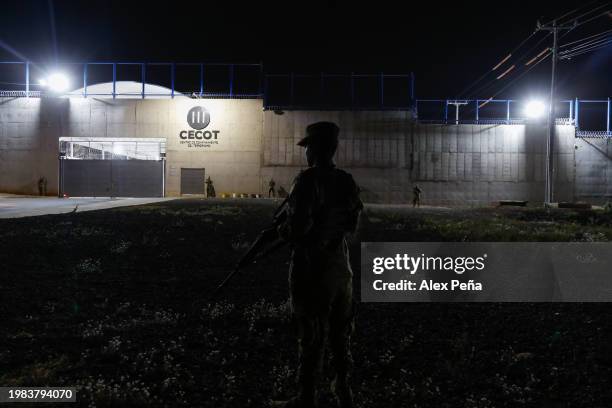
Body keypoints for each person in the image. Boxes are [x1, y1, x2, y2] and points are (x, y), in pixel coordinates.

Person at [274, 121, 363, 408]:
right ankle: (344, 394)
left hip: (313, 271)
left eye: (308, 147)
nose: (307, 153)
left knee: (310, 336)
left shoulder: (307, 180)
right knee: (341, 337)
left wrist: (282, 231)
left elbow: (298, 228)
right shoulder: (346, 181)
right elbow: (352, 226)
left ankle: (307, 397)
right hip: (341, 271)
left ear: (314, 149)